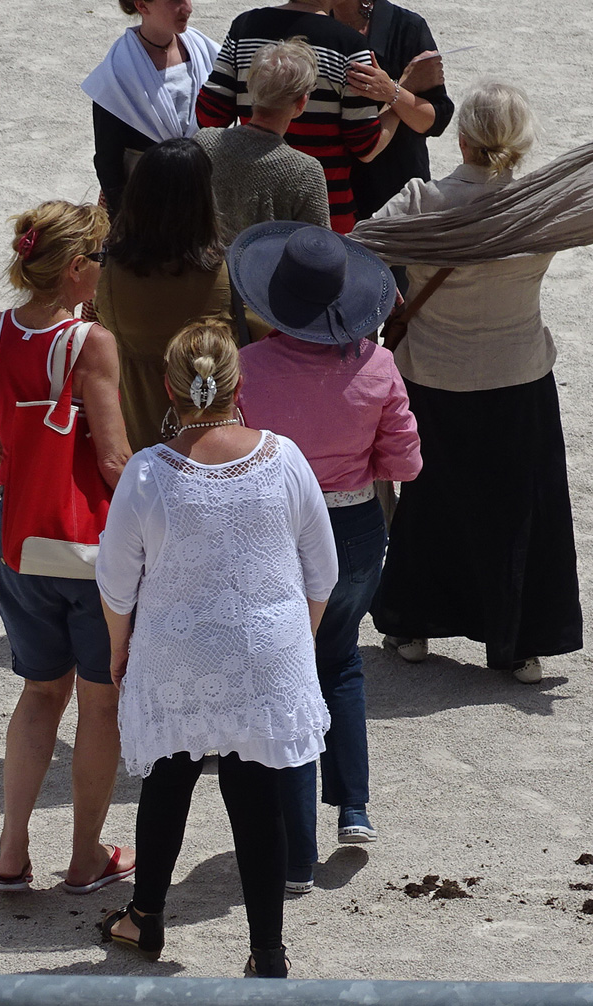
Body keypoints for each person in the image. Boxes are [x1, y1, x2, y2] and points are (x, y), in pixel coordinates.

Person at [97, 319, 338, 974]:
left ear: (168, 389)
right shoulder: (285, 458)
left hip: (174, 654)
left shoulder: (147, 473)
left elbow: (116, 585)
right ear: (238, 385)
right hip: (268, 651)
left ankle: (145, 917)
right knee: (256, 794)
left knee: (168, 778)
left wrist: (119, 650)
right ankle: (267, 953)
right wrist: (295, 644)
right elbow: (322, 573)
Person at [367, 82, 584, 683]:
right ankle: (521, 645)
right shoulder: (538, 208)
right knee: (520, 508)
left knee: (430, 502)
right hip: (519, 377)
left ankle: (412, 624)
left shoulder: (420, 201)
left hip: (433, 377)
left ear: (461, 138)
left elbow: (359, 254)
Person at [230, 222, 422, 893]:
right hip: (356, 531)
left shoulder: (247, 368)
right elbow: (404, 462)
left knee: (284, 681)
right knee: (338, 662)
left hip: (275, 532)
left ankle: (296, 855)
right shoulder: (378, 365)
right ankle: (354, 807)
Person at [0, 201, 135, 894]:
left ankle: (11, 853)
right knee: (100, 704)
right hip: (89, 553)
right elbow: (114, 461)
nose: (104, 268)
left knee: (40, 693)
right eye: (100, 257)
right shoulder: (90, 341)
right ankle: (85, 857)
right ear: (74, 268)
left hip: (18, 540)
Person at [196, 0, 400, 234]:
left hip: (246, 213)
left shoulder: (244, 27)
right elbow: (366, 145)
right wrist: (397, 97)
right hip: (322, 216)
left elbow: (209, 116)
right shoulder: (350, 47)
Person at [95, 137, 266, 452]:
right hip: (213, 444)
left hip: (138, 439)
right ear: (203, 198)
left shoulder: (109, 270)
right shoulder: (226, 275)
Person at [82, 0, 218, 219]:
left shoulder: (206, 52)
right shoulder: (119, 73)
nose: (188, 7)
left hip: (202, 196)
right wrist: (126, 220)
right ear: (143, 6)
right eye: (175, 0)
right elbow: (108, 161)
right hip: (142, 204)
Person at [333, 0, 454, 220]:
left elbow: (434, 120)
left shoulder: (407, 28)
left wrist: (393, 91)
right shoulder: (316, 24)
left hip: (394, 194)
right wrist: (405, 86)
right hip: (332, 191)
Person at [195, 38, 330, 241]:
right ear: (302, 102)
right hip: (262, 263)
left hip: (202, 261)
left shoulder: (204, 143)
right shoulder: (305, 172)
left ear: (251, 87)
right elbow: (318, 248)